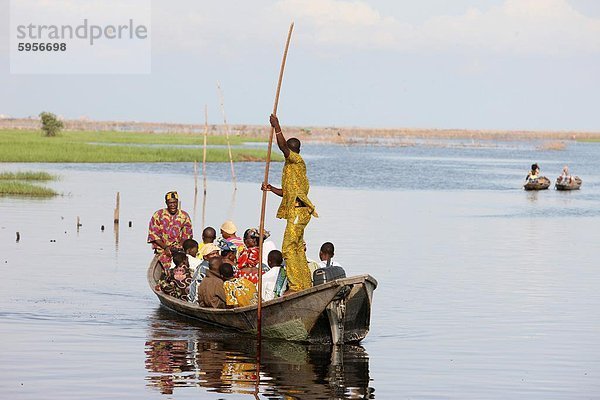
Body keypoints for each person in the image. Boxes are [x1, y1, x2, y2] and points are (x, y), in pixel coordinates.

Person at [262, 114, 318, 293]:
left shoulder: (297, 161)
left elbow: (282, 146)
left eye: (288, 150)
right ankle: (305, 283)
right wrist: (271, 189)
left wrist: (277, 126)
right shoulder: (291, 169)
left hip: (298, 212)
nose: (286, 153)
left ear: (294, 151)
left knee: (287, 249)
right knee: (297, 248)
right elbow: (287, 193)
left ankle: (296, 286)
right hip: (298, 211)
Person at [148, 191, 193, 271]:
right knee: (168, 267)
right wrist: (165, 248)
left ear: (177, 202)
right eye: (170, 203)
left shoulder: (184, 216)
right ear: (166, 203)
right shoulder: (158, 215)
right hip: (162, 249)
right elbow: (153, 235)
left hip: (179, 249)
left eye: (175, 202)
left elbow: (187, 236)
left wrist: (179, 249)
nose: (173, 205)